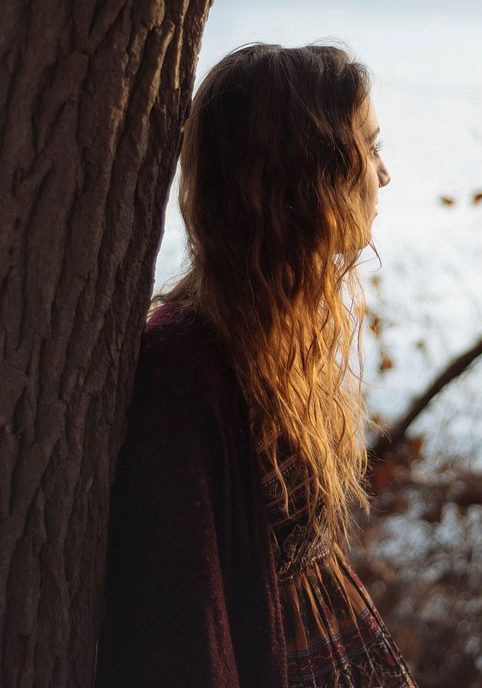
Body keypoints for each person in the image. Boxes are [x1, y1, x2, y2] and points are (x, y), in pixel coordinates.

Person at [96, 43, 417, 688]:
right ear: (308, 172)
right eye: (369, 147)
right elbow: (184, 623)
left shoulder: (274, 337)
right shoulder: (183, 365)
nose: (384, 175)